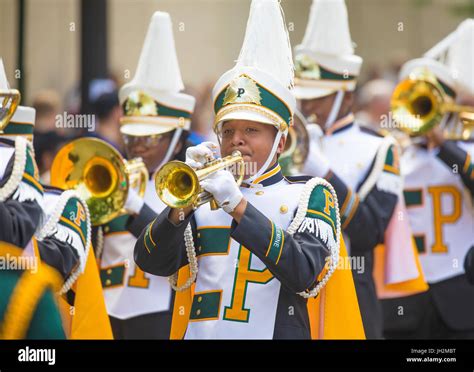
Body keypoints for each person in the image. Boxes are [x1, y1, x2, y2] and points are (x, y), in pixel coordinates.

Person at [133, 0, 357, 340]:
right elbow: (151, 261)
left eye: (252, 131)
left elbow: (304, 273)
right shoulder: (202, 199)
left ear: (280, 143)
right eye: (227, 131)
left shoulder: (310, 194)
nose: (236, 141)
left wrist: (238, 206)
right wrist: (181, 206)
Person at [293, 0, 424, 339]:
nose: (306, 106)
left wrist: (324, 171)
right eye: (303, 96)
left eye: (317, 97)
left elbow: (369, 231)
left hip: (351, 283)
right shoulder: (284, 142)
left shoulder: (380, 148)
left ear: (346, 96)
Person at [96, 11, 196, 339]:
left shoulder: (190, 186)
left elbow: (180, 249)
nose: (139, 146)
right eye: (132, 136)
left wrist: (137, 207)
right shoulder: (112, 175)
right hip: (104, 311)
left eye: (149, 138)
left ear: (177, 140)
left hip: (159, 315)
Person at [384, 19, 474, 339]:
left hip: (460, 286)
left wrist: (442, 144)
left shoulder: (465, 151)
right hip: (411, 295)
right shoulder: (396, 156)